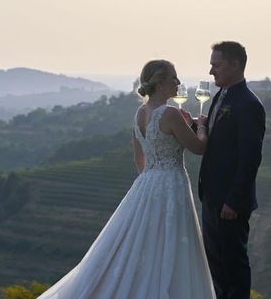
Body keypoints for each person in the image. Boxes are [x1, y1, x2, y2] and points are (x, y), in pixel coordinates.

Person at [37, 59, 216, 298]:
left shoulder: (140, 113)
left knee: (139, 243)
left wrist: (150, 184)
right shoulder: (171, 113)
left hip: (146, 184)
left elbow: (139, 161)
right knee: (168, 243)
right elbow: (199, 148)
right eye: (174, 78)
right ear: (161, 82)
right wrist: (201, 126)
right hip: (171, 183)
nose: (178, 82)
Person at [198, 41, 266, 299]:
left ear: (235, 65)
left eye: (216, 65)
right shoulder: (221, 96)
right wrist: (195, 127)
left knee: (233, 266)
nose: (211, 71)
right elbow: (217, 141)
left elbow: (250, 158)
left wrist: (234, 201)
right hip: (212, 197)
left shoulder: (249, 104)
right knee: (216, 265)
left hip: (229, 203)